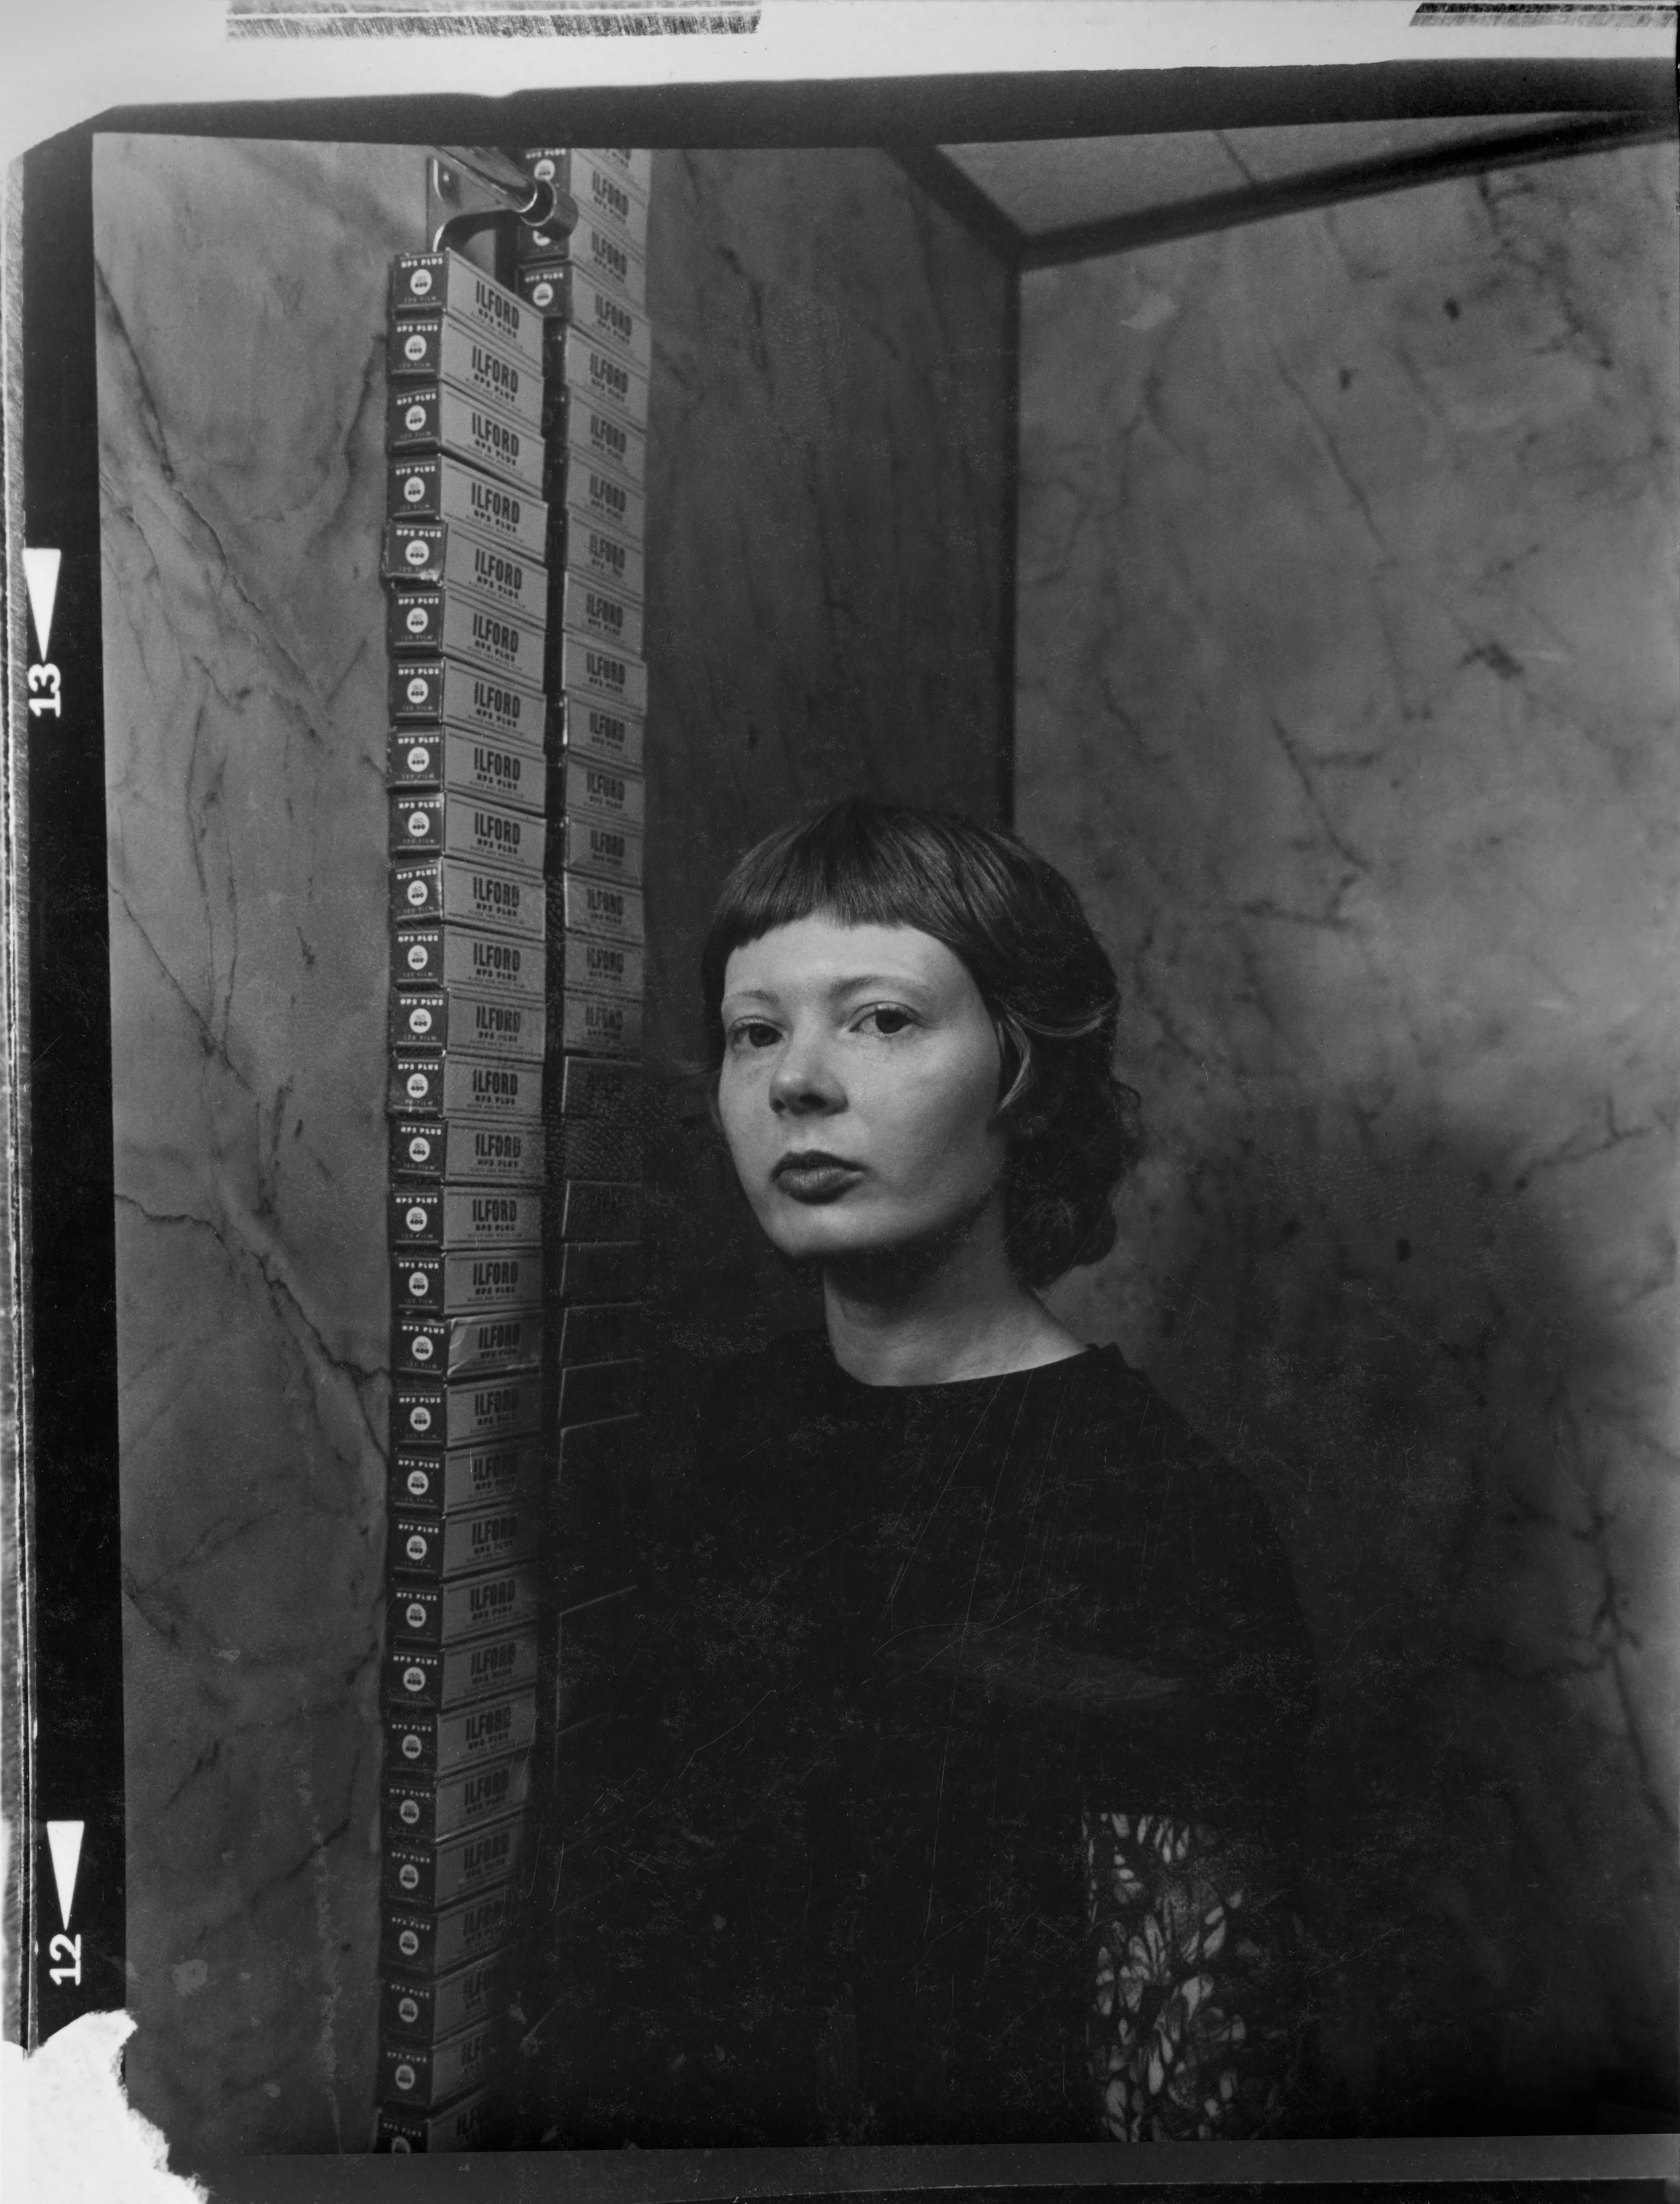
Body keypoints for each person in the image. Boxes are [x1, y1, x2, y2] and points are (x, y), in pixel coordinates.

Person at [556, 797, 1317, 2147]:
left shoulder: (1158, 1515)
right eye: (755, 1031)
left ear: (1027, 1078)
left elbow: (1182, 2108)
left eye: (882, 1019)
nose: (797, 1082)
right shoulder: (734, 1431)